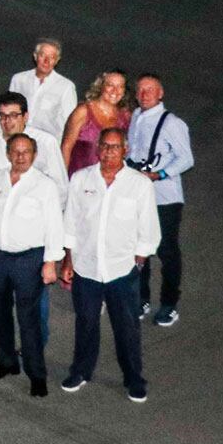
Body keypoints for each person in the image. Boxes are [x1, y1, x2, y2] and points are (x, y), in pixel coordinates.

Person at [61, 128, 159, 401]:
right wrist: (68, 260)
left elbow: (148, 228)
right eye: (104, 146)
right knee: (86, 323)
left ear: (125, 150)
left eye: (115, 147)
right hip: (86, 268)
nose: (109, 152)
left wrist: (138, 260)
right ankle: (81, 371)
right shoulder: (81, 179)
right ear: (97, 148)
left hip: (121, 270)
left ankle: (133, 378)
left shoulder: (139, 185)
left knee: (126, 328)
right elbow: (71, 223)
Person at [0, 134, 64, 397]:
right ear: (7, 153)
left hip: (29, 259)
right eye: (15, 151)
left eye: (26, 152)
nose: (20, 156)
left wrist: (51, 262)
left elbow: (54, 226)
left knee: (29, 318)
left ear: (34, 155)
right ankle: (7, 361)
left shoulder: (44, 186)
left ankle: (37, 375)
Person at [128, 74, 192, 326]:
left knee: (166, 250)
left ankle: (169, 303)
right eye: (141, 90)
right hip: (139, 196)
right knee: (138, 247)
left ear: (160, 93)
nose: (144, 95)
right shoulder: (136, 117)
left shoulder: (172, 123)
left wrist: (159, 174)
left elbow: (186, 158)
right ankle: (141, 298)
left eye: (150, 90)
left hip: (165, 197)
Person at [0, 93, 67, 186]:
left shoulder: (46, 142)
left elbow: (60, 186)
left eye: (13, 115)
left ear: (25, 117)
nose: (7, 120)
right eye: (3, 115)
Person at [62, 69, 133, 175]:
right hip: (80, 178)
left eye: (120, 86)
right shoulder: (83, 111)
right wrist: (63, 181)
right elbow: (66, 147)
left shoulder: (126, 116)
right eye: (110, 85)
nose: (115, 91)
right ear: (101, 86)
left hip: (110, 181)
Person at [9, 39, 78, 140]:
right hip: (18, 140)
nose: (46, 61)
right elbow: (9, 110)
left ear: (57, 60)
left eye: (52, 57)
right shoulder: (19, 79)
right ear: (35, 56)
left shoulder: (66, 87)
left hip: (47, 143)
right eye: (42, 55)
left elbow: (70, 124)